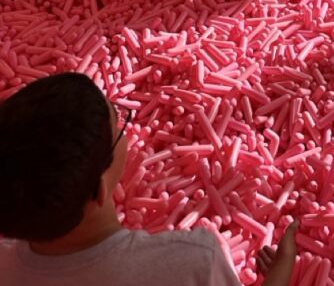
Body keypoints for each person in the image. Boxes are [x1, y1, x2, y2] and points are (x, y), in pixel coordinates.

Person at [0, 73, 299, 286]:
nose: (125, 133)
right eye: (119, 126)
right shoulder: (191, 261)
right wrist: (281, 271)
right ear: (99, 188)